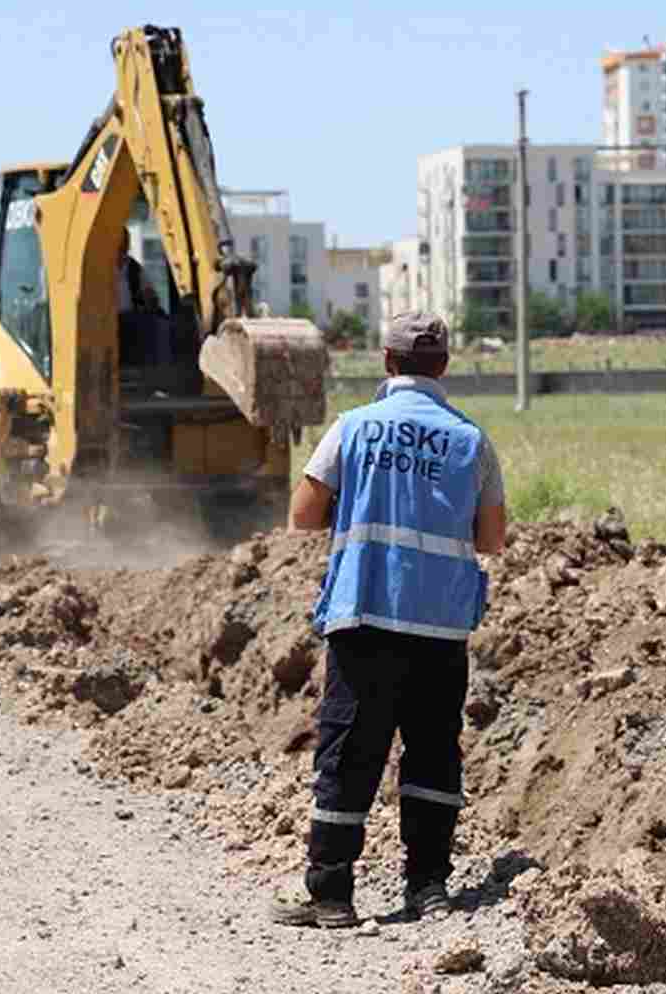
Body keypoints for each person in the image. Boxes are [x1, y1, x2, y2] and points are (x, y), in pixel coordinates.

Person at [270, 312, 507, 929]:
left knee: (349, 754)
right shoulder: (471, 440)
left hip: (364, 617)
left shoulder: (353, 427)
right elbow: (492, 539)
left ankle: (331, 895)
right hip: (441, 627)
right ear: (444, 367)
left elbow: (303, 515)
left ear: (386, 360)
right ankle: (428, 888)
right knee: (432, 753)